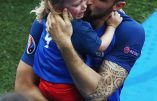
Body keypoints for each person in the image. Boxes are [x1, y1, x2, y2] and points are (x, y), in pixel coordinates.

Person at [15, 0, 122, 101]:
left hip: (44, 81)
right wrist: (112, 26)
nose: (85, 5)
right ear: (58, 8)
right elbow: (101, 46)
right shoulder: (77, 27)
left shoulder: (48, 14)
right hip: (64, 88)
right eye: (76, 5)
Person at [46, 0, 145, 101]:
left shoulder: (130, 31)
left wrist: (65, 46)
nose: (87, 2)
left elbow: (99, 94)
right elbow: (29, 84)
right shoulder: (57, 12)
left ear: (118, 6)